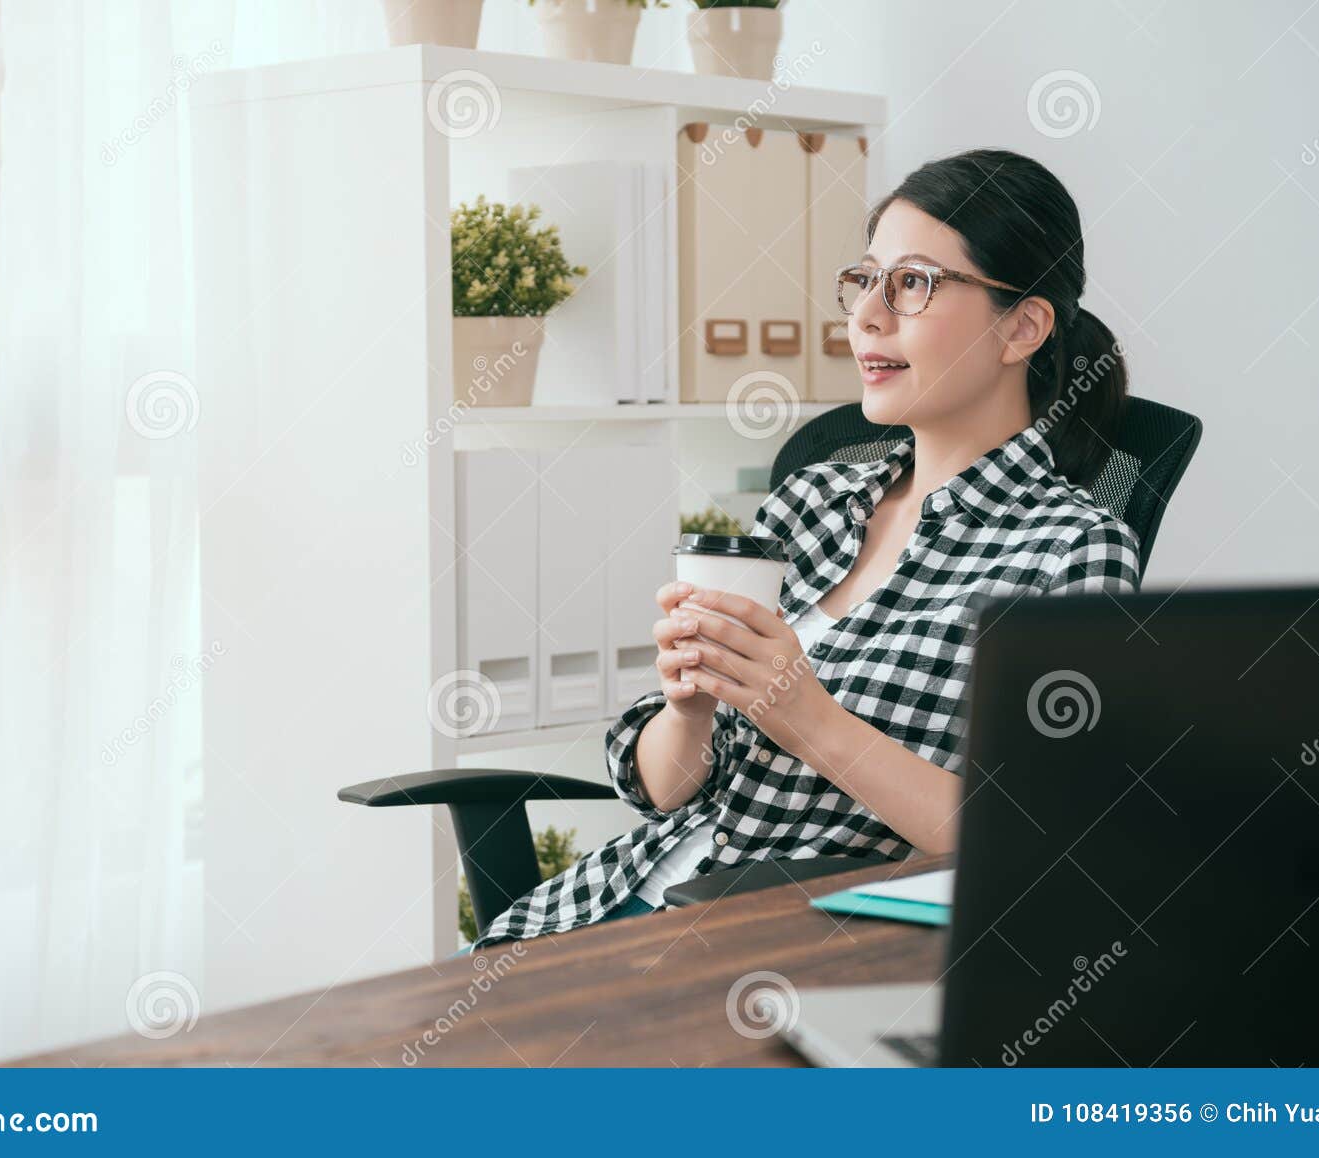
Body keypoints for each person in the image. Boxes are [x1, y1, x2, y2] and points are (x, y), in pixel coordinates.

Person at [461, 147, 1139, 956]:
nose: (868, 318)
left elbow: (1030, 842)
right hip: (601, 905)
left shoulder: (1072, 550)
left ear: (1022, 327)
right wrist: (689, 708)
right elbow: (663, 788)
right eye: (865, 281)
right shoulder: (815, 498)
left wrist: (807, 718)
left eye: (914, 283)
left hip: (760, 949)